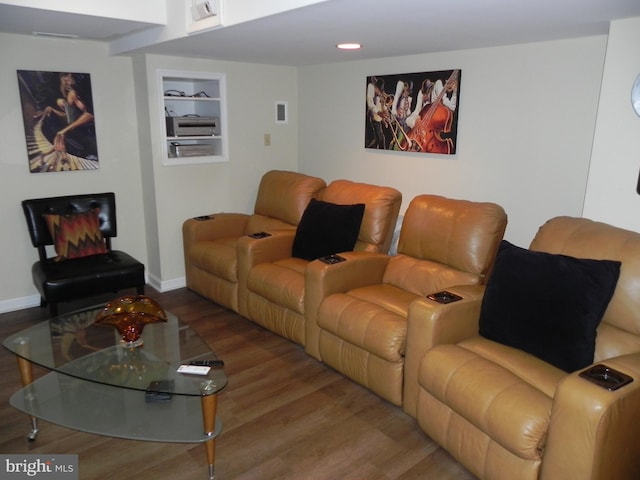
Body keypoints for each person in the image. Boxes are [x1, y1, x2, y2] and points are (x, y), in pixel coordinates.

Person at [34, 72, 95, 154]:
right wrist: (52, 110)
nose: (69, 83)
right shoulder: (63, 99)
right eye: (65, 80)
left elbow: (90, 115)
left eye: (71, 80)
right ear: (61, 79)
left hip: (86, 131)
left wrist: (64, 131)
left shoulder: (73, 94)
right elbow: (70, 117)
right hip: (72, 129)